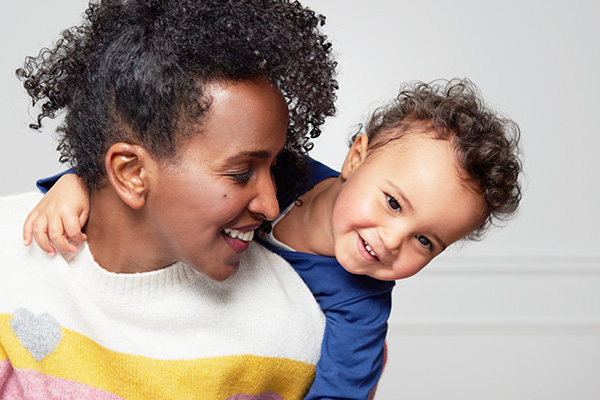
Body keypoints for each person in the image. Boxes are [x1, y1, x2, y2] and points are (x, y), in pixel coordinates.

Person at [24, 78, 523, 399]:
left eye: (426, 242)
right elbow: (165, 168)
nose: (393, 239)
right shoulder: (282, 171)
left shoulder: (360, 306)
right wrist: (73, 182)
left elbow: (341, 391)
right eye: (393, 203)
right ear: (355, 159)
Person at [0, 0, 338, 399]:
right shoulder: (9, 260)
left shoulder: (293, 328)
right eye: (241, 172)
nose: (269, 204)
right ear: (131, 173)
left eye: (274, 169)